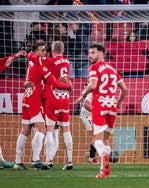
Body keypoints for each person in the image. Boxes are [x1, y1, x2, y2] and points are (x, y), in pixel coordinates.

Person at [13, 42, 71, 170]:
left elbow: (30, 78)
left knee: (25, 130)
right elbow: (54, 81)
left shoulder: (32, 63)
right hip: (34, 100)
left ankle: (18, 162)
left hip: (26, 97)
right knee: (42, 129)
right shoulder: (40, 64)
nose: (45, 53)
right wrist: (69, 86)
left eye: (45, 50)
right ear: (35, 52)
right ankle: (35, 160)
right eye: (42, 50)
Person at [77, 43, 127, 178]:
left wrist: (83, 94)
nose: (90, 55)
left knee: (96, 140)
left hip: (99, 104)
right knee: (105, 139)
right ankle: (104, 170)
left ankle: (107, 154)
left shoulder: (94, 67)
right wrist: (119, 103)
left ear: (101, 54)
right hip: (111, 106)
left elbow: (93, 85)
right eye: (89, 53)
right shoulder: (112, 69)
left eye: (93, 52)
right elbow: (124, 89)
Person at [42, 41, 73, 170]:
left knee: (49, 129)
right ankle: (70, 160)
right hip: (64, 98)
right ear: (63, 50)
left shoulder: (48, 61)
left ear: (52, 50)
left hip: (53, 97)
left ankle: (48, 160)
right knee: (66, 129)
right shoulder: (67, 62)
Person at [80, 86, 97, 164]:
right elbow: (86, 105)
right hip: (87, 116)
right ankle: (91, 156)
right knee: (96, 136)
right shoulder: (93, 92)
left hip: (93, 115)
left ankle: (90, 154)